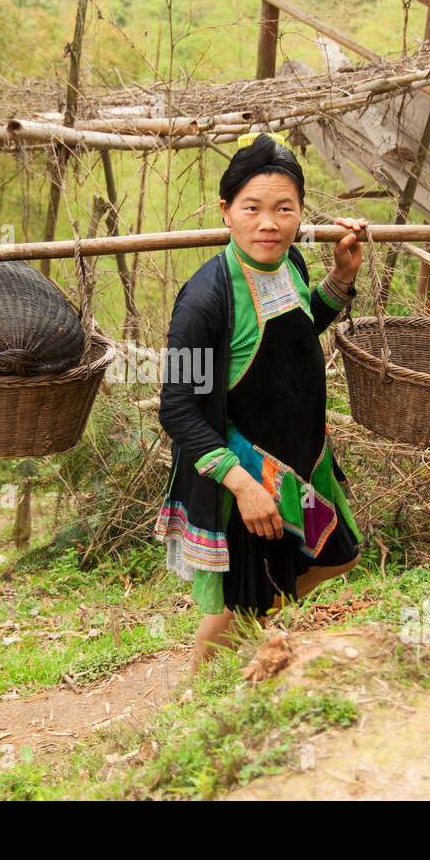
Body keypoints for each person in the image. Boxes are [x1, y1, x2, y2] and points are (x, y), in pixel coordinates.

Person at [153, 132, 367, 666]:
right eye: (252, 208)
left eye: (283, 209)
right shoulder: (204, 301)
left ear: (299, 214)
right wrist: (243, 485)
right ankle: (202, 706)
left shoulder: (289, 264)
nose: (268, 223)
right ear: (227, 212)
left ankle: (253, 648)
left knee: (335, 554)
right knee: (240, 602)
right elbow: (176, 406)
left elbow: (297, 329)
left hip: (300, 461)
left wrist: (341, 276)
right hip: (243, 471)